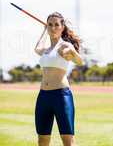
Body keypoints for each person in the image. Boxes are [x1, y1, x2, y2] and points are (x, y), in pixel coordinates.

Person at [34, 12, 84, 146]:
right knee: (42, 140)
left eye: (57, 25)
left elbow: (80, 61)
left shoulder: (64, 46)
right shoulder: (46, 49)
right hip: (43, 96)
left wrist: (73, 54)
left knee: (68, 140)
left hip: (61, 96)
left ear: (62, 27)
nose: (53, 27)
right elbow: (37, 48)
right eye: (50, 24)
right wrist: (45, 30)